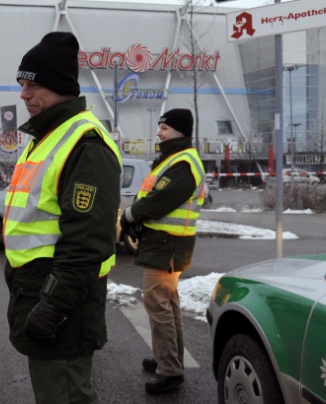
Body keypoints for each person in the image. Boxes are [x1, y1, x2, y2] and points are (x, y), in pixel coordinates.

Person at [3, 32, 122, 404]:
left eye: (32, 84)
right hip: (39, 292)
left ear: (58, 86)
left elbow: (86, 242)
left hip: (62, 305)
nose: (24, 94)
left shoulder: (84, 143)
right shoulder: (46, 136)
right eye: (22, 84)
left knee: (66, 394)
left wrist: (52, 306)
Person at [119, 108, 206, 394]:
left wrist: (129, 216)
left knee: (159, 305)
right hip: (166, 242)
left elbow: (159, 201)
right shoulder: (174, 159)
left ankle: (169, 370)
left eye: (164, 128)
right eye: (159, 127)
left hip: (168, 243)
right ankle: (166, 358)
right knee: (167, 304)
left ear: (180, 131)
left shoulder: (183, 162)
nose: (159, 132)